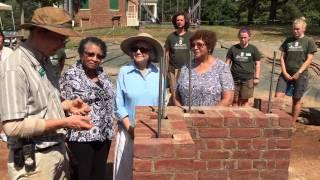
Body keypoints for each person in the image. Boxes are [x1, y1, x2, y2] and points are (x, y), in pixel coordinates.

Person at [0, 7, 93, 179]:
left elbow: (41, 104)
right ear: (40, 32)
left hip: (54, 152)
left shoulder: (44, 61)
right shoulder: (15, 67)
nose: (61, 46)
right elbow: (12, 126)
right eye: (60, 39)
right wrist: (65, 122)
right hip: (34, 162)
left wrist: (67, 105)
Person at [59, 37, 115, 180]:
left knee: (98, 174)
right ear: (81, 54)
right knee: (83, 174)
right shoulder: (70, 75)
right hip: (81, 135)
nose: (95, 59)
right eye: (90, 54)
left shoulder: (101, 73)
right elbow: (62, 104)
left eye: (99, 56)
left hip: (104, 133)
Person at [113, 33, 163, 180]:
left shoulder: (159, 73)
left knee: (149, 170)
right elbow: (119, 104)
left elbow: (161, 103)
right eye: (135, 49)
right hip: (129, 130)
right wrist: (130, 129)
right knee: (125, 173)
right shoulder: (124, 71)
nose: (139, 52)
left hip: (151, 131)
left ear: (151, 53)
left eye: (143, 49)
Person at [174, 30, 234, 106]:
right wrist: (181, 111)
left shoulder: (222, 68)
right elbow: (176, 93)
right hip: (186, 115)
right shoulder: (185, 67)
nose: (195, 48)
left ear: (209, 47)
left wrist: (207, 115)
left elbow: (228, 99)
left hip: (211, 116)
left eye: (199, 44)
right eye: (193, 45)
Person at [275, 17, 317, 123]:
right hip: (286, 73)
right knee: (277, 97)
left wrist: (299, 72)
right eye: (294, 29)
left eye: (297, 29)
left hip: (301, 75)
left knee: (296, 99)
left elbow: (309, 59)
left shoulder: (309, 41)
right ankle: (276, 121)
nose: (295, 31)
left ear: (304, 29)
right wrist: (284, 72)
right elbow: (282, 57)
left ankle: (292, 123)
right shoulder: (288, 40)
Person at [226, 27, 261, 106]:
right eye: (241, 37)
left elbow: (257, 63)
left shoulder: (253, 49)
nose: (243, 39)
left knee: (245, 101)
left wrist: (257, 77)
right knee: (234, 100)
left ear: (249, 37)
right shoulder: (233, 48)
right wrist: (225, 75)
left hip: (247, 79)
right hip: (234, 79)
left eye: (245, 37)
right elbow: (227, 63)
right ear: (239, 37)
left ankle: (243, 117)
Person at [165, 11, 193, 105]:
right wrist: (165, 70)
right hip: (172, 69)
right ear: (175, 22)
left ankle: (184, 108)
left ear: (185, 21)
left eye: (181, 20)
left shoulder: (191, 36)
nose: (179, 22)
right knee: (174, 91)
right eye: (177, 20)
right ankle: (175, 110)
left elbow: (196, 52)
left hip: (187, 69)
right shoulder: (170, 37)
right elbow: (166, 54)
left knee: (185, 90)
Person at [0, 30, 13, 142]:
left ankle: (4, 131)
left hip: (6, 84)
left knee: (6, 109)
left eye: (0, 36)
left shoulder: (9, 52)